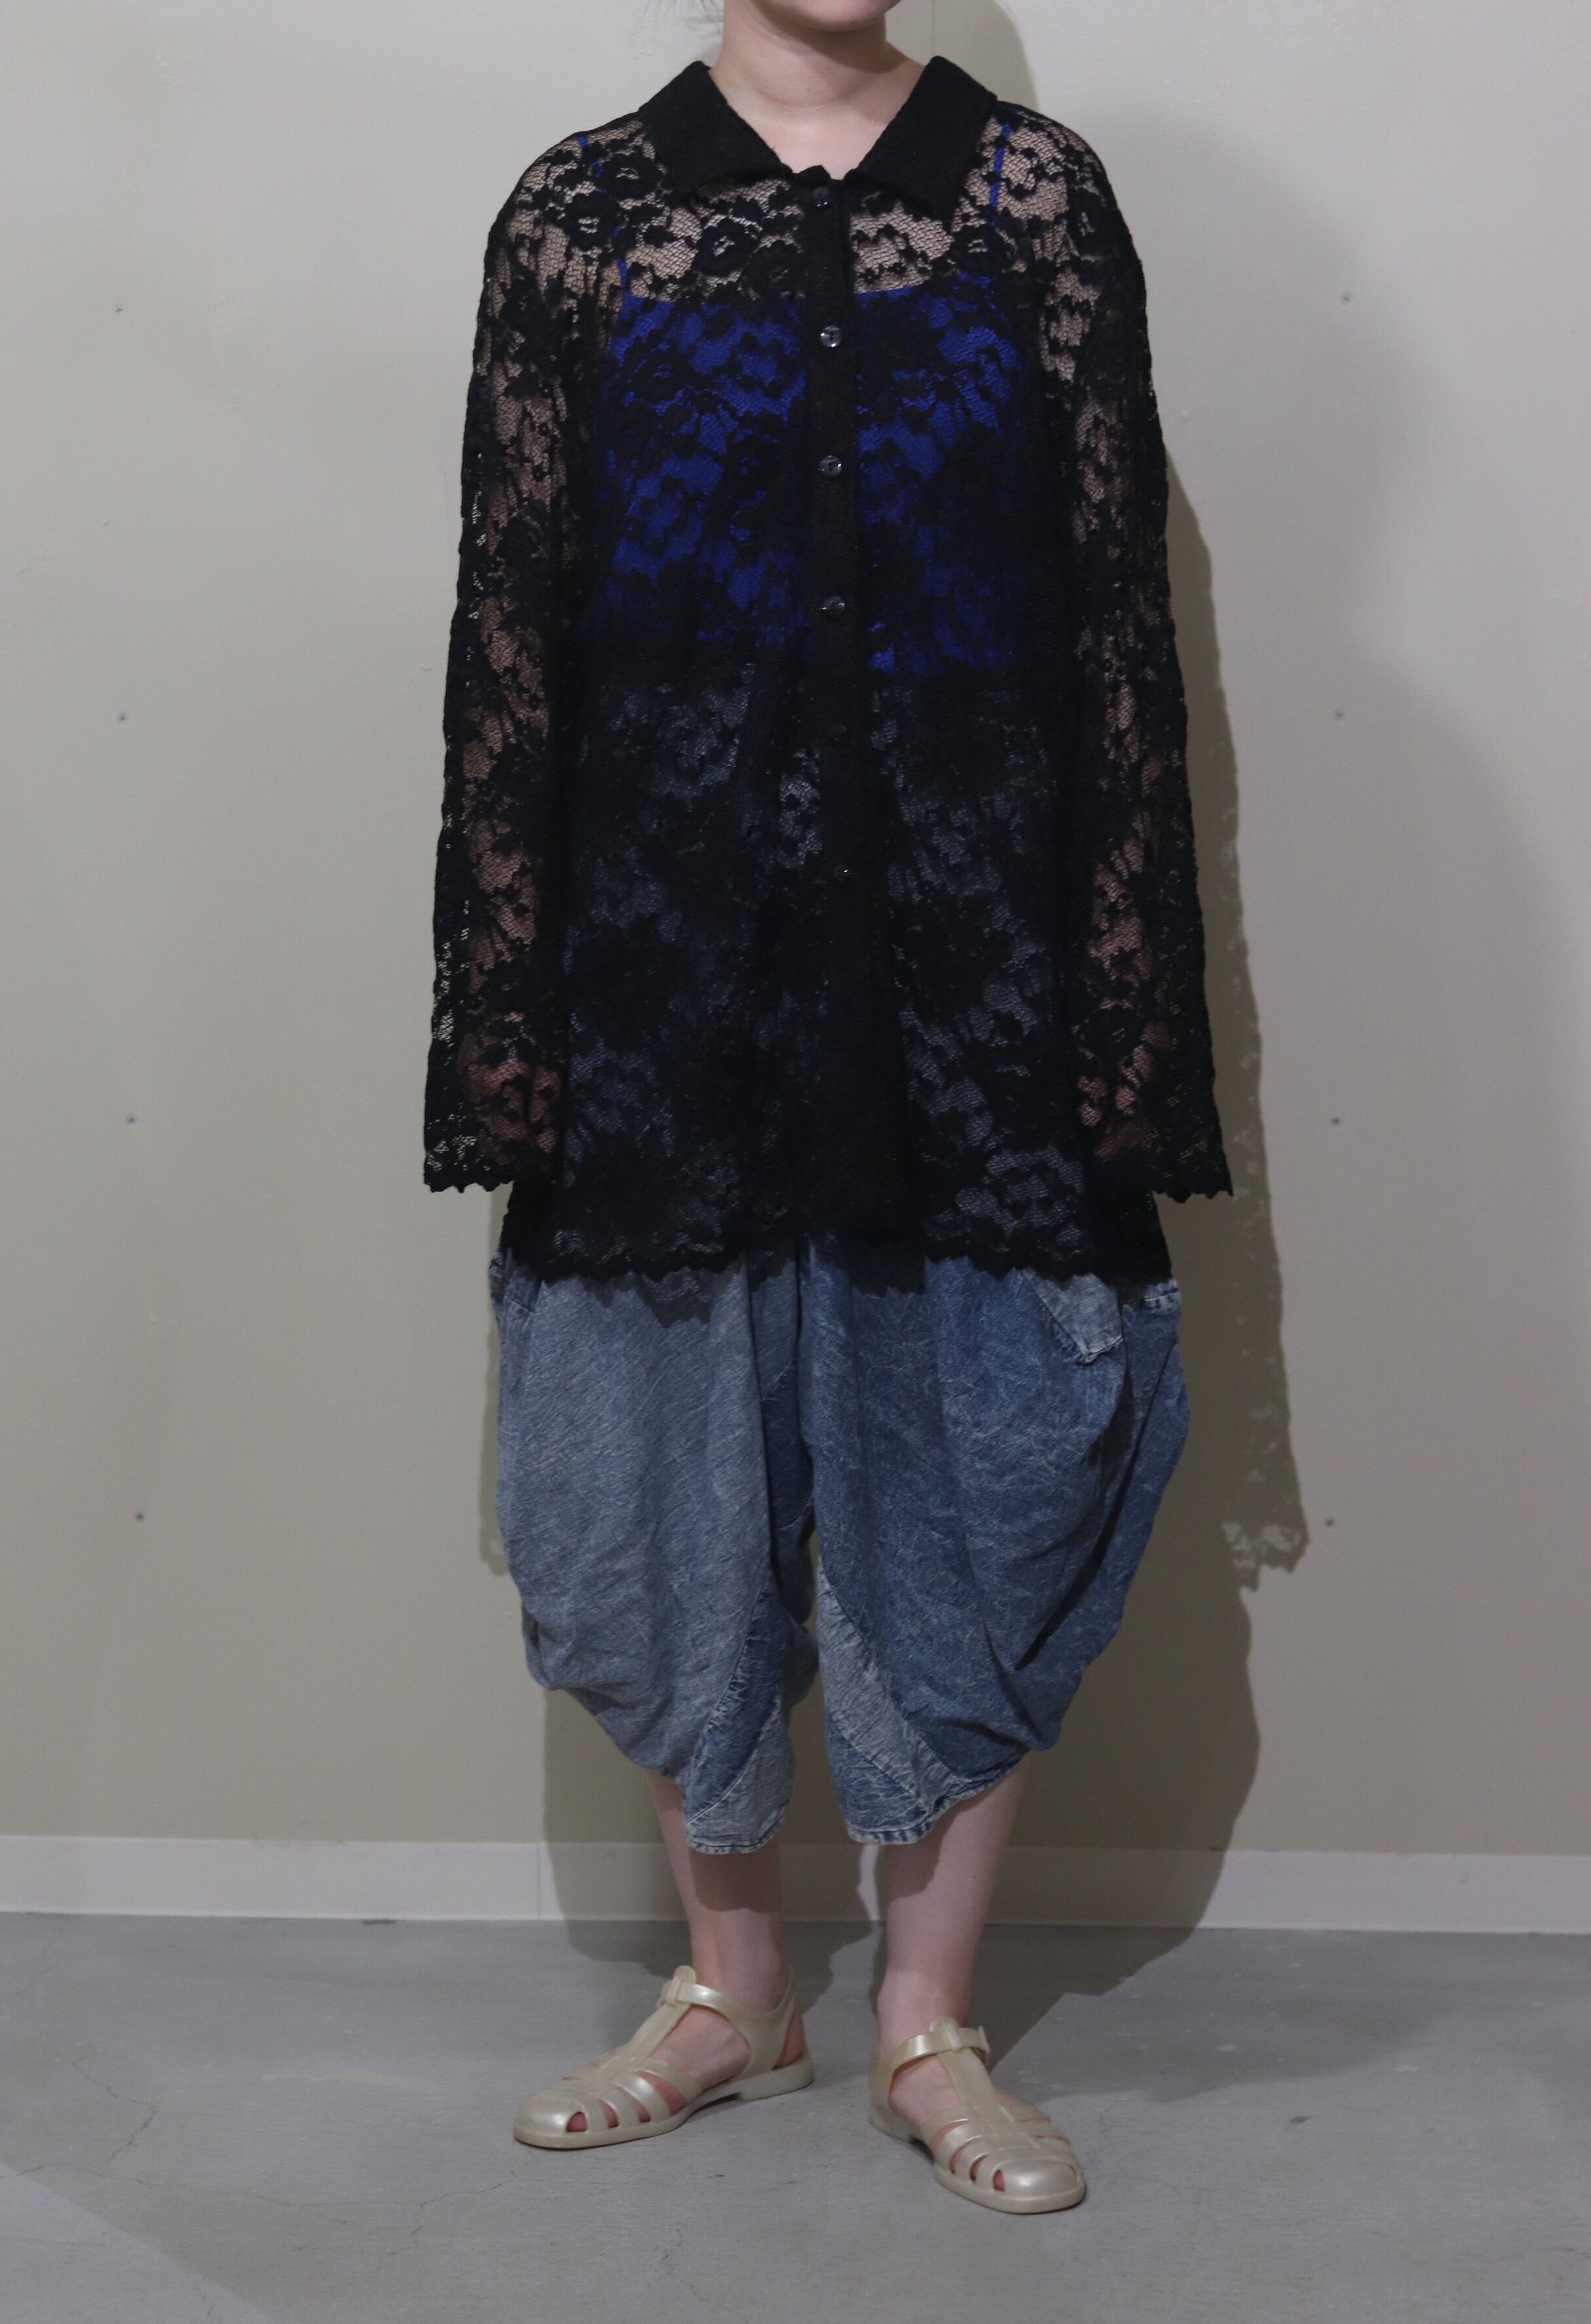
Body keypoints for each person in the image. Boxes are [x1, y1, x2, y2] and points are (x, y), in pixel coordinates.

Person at [423, 0, 1231, 2215]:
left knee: (977, 1464)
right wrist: (512, 1016)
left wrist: (1121, 1005)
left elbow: (1115, 643)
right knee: (654, 1484)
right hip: (665, 979)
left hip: (970, 979)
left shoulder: (1035, 206)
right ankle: (731, 1989)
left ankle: (925, 2024)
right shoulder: (581, 216)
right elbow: (514, 639)